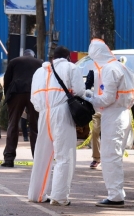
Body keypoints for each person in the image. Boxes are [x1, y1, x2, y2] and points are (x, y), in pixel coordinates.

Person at [28, 46, 85, 206]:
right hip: (62, 113)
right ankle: (59, 197)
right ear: (67, 57)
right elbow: (80, 91)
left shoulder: (39, 72)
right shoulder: (71, 67)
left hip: (43, 114)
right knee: (64, 156)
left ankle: (36, 194)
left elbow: (33, 98)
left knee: (41, 155)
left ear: (52, 57)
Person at [84, 38, 134, 208]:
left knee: (109, 157)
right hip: (123, 113)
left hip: (113, 115)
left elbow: (106, 98)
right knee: (114, 156)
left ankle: (115, 196)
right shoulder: (120, 66)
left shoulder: (108, 69)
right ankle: (117, 192)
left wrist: (89, 97)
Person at [1, 49, 43, 167]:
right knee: (35, 127)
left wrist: (8, 97)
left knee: (12, 125)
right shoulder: (40, 63)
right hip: (34, 94)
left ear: (23, 55)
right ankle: (38, 159)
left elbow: (6, 79)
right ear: (33, 55)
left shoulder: (14, 61)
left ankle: (9, 159)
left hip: (16, 93)